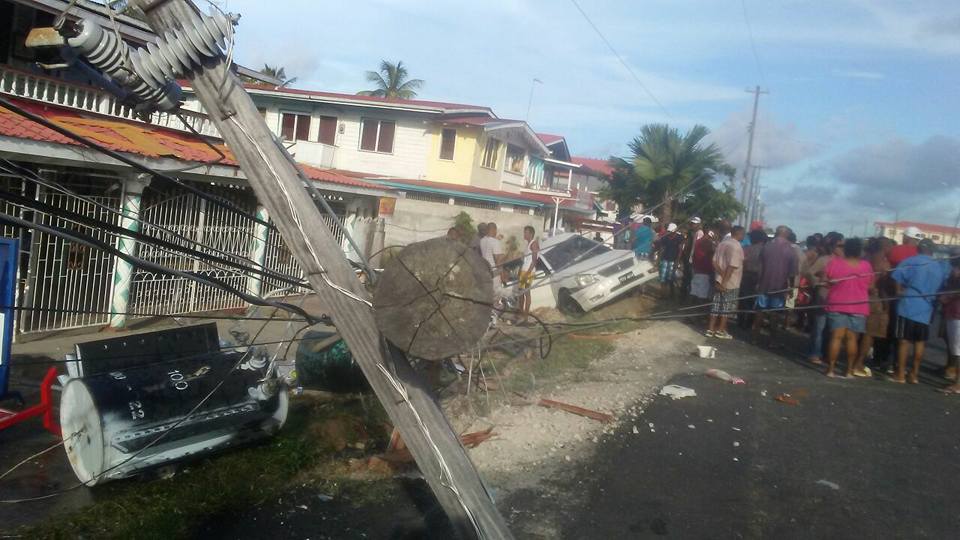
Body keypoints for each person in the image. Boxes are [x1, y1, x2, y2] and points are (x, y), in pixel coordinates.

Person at [890, 239, 949, 384]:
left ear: (918, 248)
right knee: (920, 342)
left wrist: (898, 291)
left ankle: (900, 374)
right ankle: (914, 373)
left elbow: (896, 277)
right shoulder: (940, 266)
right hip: (926, 308)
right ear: (932, 250)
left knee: (904, 341)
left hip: (908, 305)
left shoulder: (910, 261)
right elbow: (944, 285)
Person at [823, 238, 873, 378]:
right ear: (859, 250)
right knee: (852, 339)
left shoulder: (835, 263)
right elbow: (870, 286)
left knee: (836, 338)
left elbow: (826, 282)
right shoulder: (866, 266)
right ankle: (849, 370)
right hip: (859, 306)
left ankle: (831, 369)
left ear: (846, 249)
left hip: (837, 304)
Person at [853, 238, 894, 376]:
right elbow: (881, 286)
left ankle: (851, 359)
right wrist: (887, 305)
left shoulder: (864, 258)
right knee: (869, 334)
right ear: (886, 247)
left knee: (856, 332)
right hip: (874, 300)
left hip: (858, 297)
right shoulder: (883, 262)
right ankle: (858, 363)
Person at [752, 225, 800, 343]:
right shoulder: (791, 250)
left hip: (764, 284)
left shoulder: (766, 246)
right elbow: (792, 273)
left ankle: (754, 338)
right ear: (787, 235)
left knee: (760, 312)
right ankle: (772, 341)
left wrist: (758, 282)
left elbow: (760, 267)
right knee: (775, 314)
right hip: (780, 287)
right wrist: (791, 288)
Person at [806, 232, 843, 364]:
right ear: (833, 246)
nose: (842, 248)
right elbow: (809, 272)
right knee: (819, 327)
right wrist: (818, 281)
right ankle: (814, 353)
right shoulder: (824, 260)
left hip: (839, 300)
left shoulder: (845, 262)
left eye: (843, 246)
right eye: (840, 245)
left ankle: (828, 354)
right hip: (823, 296)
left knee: (833, 329)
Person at [707, 226, 745, 339]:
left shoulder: (722, 244)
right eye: (743, 234)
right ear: (739, 234)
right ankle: (720, 330)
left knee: (716, 305)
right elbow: (732, 266)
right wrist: (724, 282)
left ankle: (710, 329)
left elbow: (714, 262)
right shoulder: (737, 246)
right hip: (730, 282)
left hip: (718, 279)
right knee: (726, 307)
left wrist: (721, 276)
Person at [738, 229, 767, 329]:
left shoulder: (746, 249)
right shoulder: (765, 250)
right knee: (754, 301)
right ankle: (749, 322)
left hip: (745, 275)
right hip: (759, 277)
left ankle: (741, 321)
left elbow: (742, 263)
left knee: (743, 300)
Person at [940, 259, 960, 393]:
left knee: (958, 352)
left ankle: (958, 384)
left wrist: (948, 297)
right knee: (956, 351)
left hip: (957, 317)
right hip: (953, 316)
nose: (953, 270)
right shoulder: (954, 281)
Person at [480, 222, 506, 306]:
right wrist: (502, 275)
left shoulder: (482, 241)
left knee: (487, 297)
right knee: (496, 298)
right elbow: (498, 261)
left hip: (485, 272)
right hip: (494, 273)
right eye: (496, 230)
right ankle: (494, 317)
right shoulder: (495, 242)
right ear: (494, 230)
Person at [654, 223, 683, 297]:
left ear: (675, 231)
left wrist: (677, 261)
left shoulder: (679, 238)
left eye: (672, 232)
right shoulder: (665, 238)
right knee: (663, 278)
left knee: (671, 278)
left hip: (673, 260)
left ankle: (671, 294)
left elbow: (680, 250)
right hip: (664, 259)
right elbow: (662, 249)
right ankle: (663, 294)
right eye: (669, 231)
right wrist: (658, 260)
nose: (670, 233)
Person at [518, 225, 540, 325]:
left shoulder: (534, 244)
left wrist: (527, 273)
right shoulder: (528, 244)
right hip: (524, 271)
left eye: (525, 232)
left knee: (526, 293)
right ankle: (521, 314)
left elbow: (534, 261)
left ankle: (525, 317)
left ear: (530, 233)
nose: (524, 234)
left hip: (528, 271)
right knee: (521, 293)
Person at [690, 227, 717, 302]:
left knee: (695, 288)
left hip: (697, 267)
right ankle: (700, 306)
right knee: (703, 290)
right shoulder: (708, 243)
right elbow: (713, 253)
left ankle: (693, 303)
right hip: (706, 269)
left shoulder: (698, 241)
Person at [681, 217, 704, 299]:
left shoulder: (699, 233)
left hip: (693, 260)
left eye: (694, 223)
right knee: (686, 277)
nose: (692, 225)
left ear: (698, 224)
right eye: (692, 223)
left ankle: (691, 297)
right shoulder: (691, 233)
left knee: (691, 278)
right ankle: (684, 296)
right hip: (688, 258)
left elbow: (696, 247)